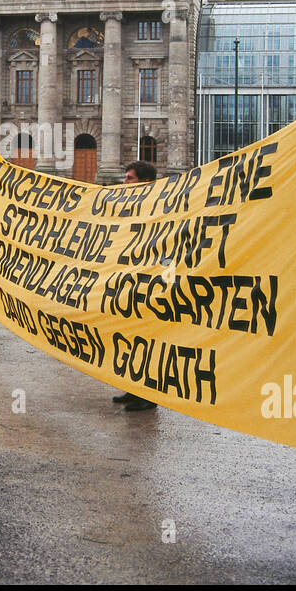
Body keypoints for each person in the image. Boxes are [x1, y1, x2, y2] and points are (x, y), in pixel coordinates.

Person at [113, 159, 158, 412]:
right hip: (130, 278)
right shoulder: (129, 205)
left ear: (144, 182)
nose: (124, 182)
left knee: (148, 338)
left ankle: (149, 394)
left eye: (129, 178)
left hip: (150, 280)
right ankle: (133, 387)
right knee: (131, 336)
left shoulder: (158, 206)